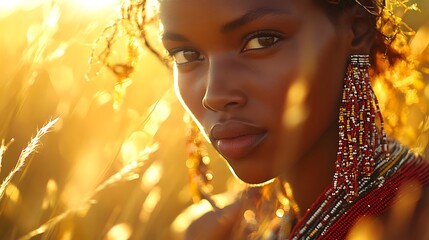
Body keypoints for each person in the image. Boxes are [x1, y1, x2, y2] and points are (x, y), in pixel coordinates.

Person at [153, 0, 429, 239]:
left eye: (261, 41)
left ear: (355, 31)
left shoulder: (416, 222)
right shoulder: (218, 230)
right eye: (186, 55)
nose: (213, 95)